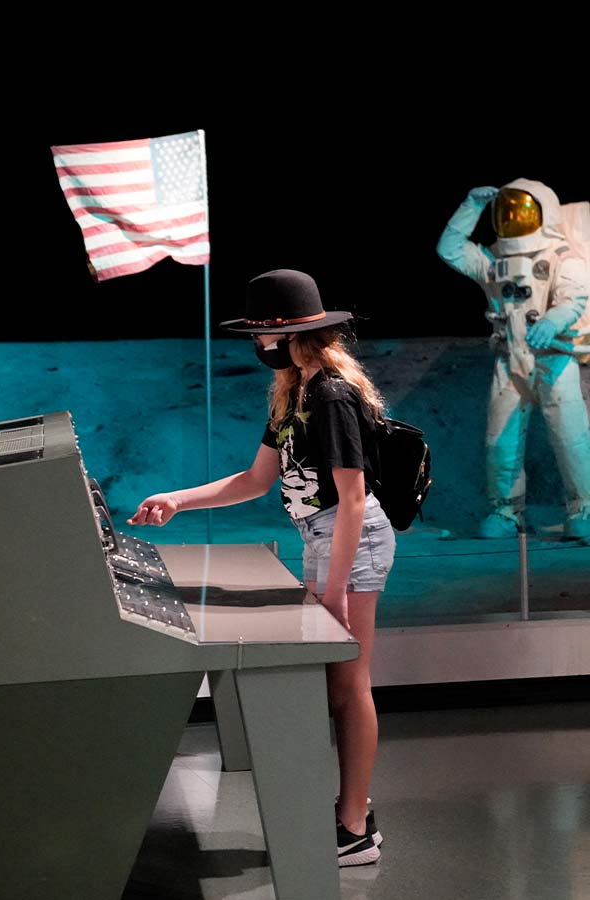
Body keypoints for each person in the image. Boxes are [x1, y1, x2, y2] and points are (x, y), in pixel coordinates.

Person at [127, 269, 395, 867]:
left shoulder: (329, 394)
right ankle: (353, 815)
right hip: (323, 538)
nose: (256, 343)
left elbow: (352, 498)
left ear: (287, 333)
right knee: (340, 685)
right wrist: (179, 498)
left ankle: (354, 828)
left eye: (261, 333)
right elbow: (255, 480)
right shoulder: (293, 392)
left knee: (350, 686)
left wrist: (334, 591)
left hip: (351, 540)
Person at [437, 178, 590, 539]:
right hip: (510, 361)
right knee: (500, 441)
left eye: (520, 212)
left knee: (571, 438)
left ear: (543, 213)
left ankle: (582, 507)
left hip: (554, 359)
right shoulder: (493, 262)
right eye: (506, 213)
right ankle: (506, 512)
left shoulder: (562, 257)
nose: (512, 219)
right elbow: (450, 249)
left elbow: (575, 298)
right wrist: (470, 208)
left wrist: (553, 321)